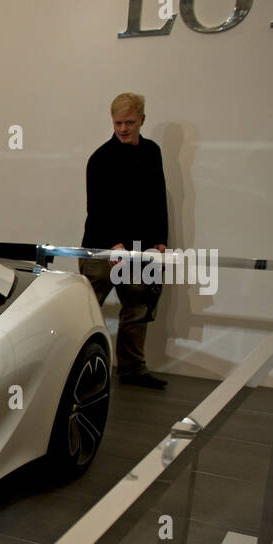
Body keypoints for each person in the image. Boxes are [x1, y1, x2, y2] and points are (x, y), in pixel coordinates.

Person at [80, 91, 170, 389]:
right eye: (118, 122)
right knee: (87, 309)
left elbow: (157, 199)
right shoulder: (101, 158)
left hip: (141, 246)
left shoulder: (152, 152)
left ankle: (132, 368)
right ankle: (81, 368)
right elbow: (98, 207)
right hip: (102, 247)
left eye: (129, 122)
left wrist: (160, 239)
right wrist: (114, 243)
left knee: (138, 307)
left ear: (142, 120)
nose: (123, 128)